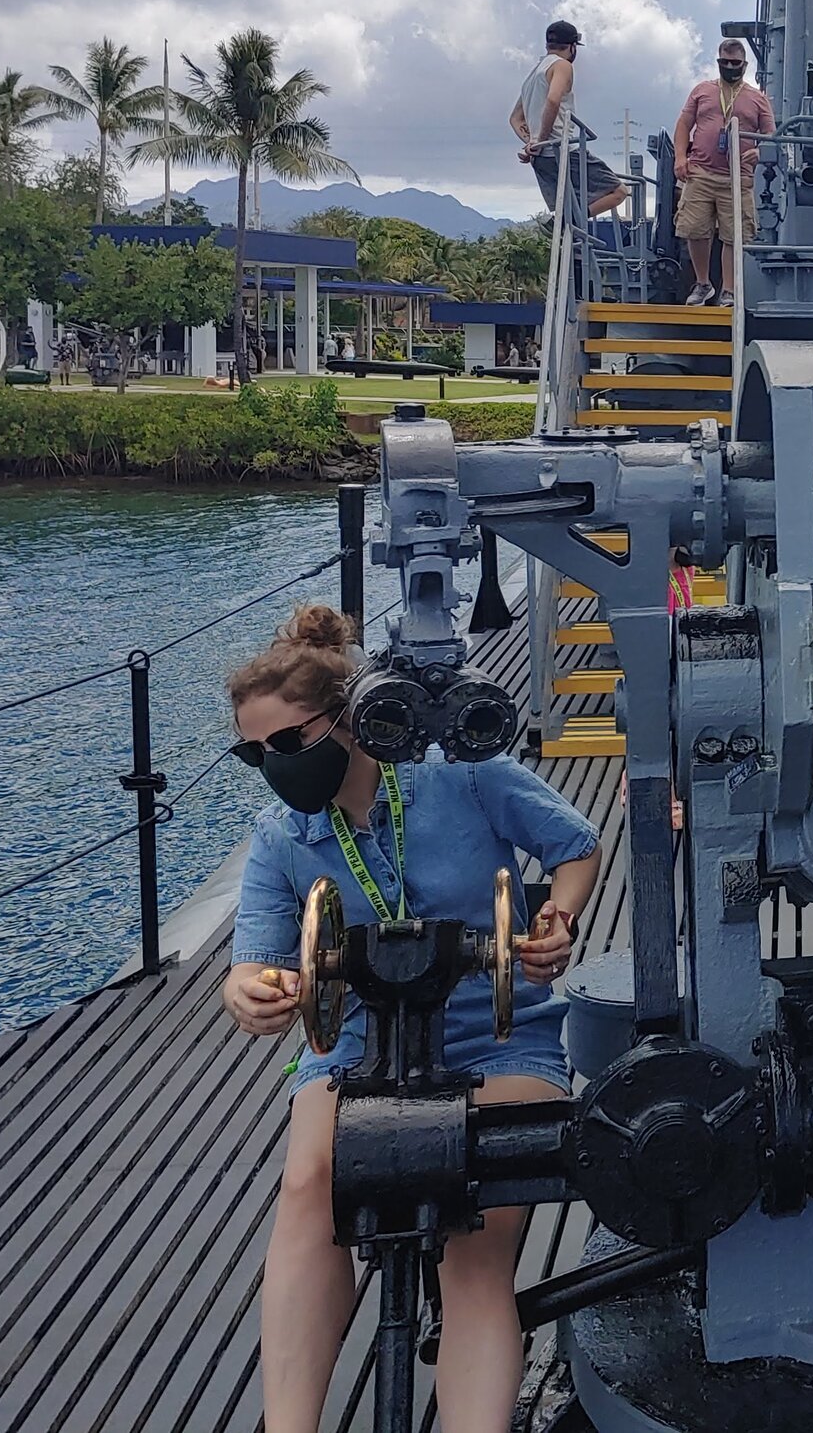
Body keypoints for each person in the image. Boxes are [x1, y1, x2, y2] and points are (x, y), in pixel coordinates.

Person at [221, 603, 602, 1433]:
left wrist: (556, 919)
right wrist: (250, 991)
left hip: (497, 1033)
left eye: (288, 742)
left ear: (348, 720)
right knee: (309, 1187)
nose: (274, 764)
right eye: (254, 754)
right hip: (358, 1042)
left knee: (475, 1240)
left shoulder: (463, 773)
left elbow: (574, 845)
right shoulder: (284, 836)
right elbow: (254, 959)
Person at [671, 37, 774, 308]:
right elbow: (683, 124)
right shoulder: (701, 91)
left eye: (735, 63)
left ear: (744, 65)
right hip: (701, 171)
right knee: (694, 228)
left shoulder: (757, 98)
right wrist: (680, 157)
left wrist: (760, 151)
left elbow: (771, 135)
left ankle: (728, 289)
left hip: (738, 175)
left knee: (734, 233)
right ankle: (703, 283)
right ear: (718, 62)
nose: (730, 67)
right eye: (724, 62)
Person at [513, 20, 627, 219]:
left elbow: (515, 118)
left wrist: (531, 144)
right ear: (573, 47)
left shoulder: (533, 74)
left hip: (542, 159)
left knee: (570, 203)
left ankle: (567, 223)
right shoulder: (562, 66)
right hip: (564, 151)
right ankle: (570, 221)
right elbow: (553, 99)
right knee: (619, 192)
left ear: (548, 45)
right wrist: (541, 139)